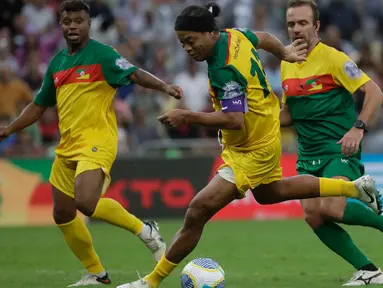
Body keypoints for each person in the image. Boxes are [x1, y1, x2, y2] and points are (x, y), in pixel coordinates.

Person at [118, 3, 381, 288]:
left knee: (198, 209)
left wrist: (187, 116)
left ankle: (151, 282)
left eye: (191, 40)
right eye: (182, 42)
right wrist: (285, 53)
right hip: (280, 141)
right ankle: (362, 236)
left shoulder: (225, 68)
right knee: (278, 197)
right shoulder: (237, 37)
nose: (186, 48)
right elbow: (266, 39)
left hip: (267, 147)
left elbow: (234, 120)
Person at [0, 1, 183, 287]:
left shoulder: (102, 55)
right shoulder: (58, 63)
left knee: (86, 202)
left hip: (97, 140)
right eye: (67, 21)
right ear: (60, 25)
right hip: (67, 145)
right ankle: (98, 274)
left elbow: (133, 72)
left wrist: (165, 86)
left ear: (89, 24)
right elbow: (38, 105)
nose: (73, 26)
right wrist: (10, 128)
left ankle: (144, 229)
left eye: (78, 21)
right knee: (62, 213)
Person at [280, 0, 383, 286]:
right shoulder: (286, 64)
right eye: (291, 24)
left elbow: (374, 93)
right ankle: (368, 270)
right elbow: (288, 115)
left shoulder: (334, 58)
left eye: (302, 23)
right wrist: (255, 123)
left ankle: (376, 206)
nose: (297, 29)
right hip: (307, 152)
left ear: (316, 26)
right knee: (313, 215)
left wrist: (357, 128)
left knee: (332, 208)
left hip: (339, 147)